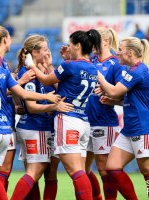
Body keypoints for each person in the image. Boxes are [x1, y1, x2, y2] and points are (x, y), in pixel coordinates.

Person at [0, 39, 60, 200]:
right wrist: (46, 97)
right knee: (4, 175)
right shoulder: (4, 73)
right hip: (5, 132)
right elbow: (24, 95)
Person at [27, 29, 102, 200]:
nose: (67, 48)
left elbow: (46, 80)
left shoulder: (69, 66)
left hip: (68, 119)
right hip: (83, 122)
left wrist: (32, 65)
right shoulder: (92, 67)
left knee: (75, 172)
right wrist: (64, 61)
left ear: (77, 45)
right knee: (81, 171)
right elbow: (68, 80)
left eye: (70, 45)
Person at [95, 37, 149, 200]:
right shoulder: (136, 70)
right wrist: (114, 101)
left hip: (145, 128)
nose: (117, 53)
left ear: (130, 52)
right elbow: (133, 99)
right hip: (130, 129)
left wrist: (98, 76)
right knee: (112, 167)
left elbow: (113, 90)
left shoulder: (138, 70)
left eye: (120, 49)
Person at [11, 35, 73, 200]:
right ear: (34, 52)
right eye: (45, 49)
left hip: (45, 129)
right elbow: (31, 107)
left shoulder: (44, 71)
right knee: (34, 172)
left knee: (49, 174)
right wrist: (53, 106)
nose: (48, 52)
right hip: (34, 128)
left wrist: (50, 65)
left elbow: (61, 88)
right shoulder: (30, 73)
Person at [0, 25, 36, 193]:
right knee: (0, 172)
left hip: (5, 119)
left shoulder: (1, 61)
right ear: (5, 39)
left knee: (2, 173)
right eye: (10, 37)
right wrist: (22, 81)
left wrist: (16, 105)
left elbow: (3, 91)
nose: (11, 40)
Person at [85, 27, 126, 200]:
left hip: (104, 122)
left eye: (96, 41)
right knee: (81, 170)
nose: (92, 44)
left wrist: (110, 97)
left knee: (103, 169)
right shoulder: (90, 60)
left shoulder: (116, 64)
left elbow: (124, 97)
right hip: (84, 121)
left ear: (106, 41)